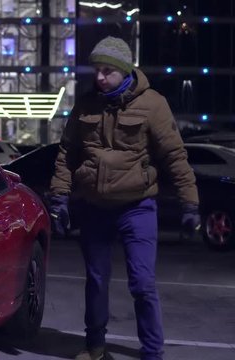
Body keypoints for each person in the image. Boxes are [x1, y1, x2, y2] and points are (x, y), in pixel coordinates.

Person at [48, 36, 200, 360]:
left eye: (107, 71)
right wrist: (59, 198)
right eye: (97, 70)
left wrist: (190, 204)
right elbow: (67, 153)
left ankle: (152, 351)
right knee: (97, 280)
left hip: (138, 206)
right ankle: (95, 347)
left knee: (142, 283)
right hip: (94, 207)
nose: (100, 77)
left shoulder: (153, 105)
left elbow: (175, 155)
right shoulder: (86, 105)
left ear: (125, 70)